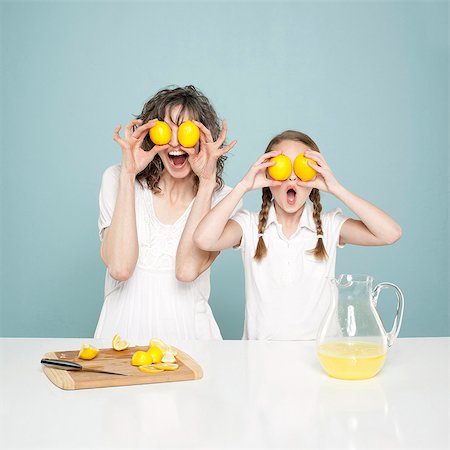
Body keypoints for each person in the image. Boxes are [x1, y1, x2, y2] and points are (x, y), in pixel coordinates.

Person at [193, 130, 402, 340]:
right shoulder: (249, 225)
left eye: (301, 168)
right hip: (262, 359)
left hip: (320, 358)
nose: (292, 176)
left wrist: (336, 188)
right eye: (283, 167)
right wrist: (243, 186)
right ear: (268, 174)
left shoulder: (329, 226)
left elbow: (390, 234)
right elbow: (204, 239)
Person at [94, 85, 239, 344]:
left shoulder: (222, 198)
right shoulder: (116, 179)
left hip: (190, 339)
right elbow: (120, 267)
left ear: (205, 138)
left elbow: (188, 270)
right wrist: (128, 175)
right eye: (165, 132)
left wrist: (207, 182)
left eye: (186, 132)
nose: (174, 143)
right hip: (120, 338)